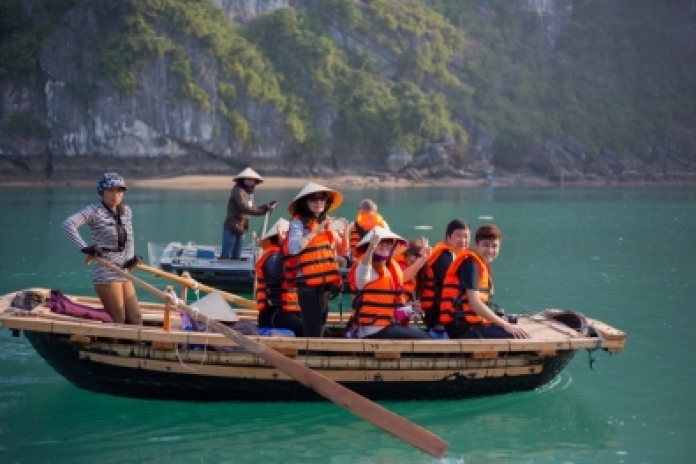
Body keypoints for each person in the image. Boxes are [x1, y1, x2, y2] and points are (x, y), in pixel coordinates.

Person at [62, 172, 142, 324]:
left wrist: (131, 260)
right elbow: (68, 225)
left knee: (136, 318)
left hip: (123, 271)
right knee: (118, 319)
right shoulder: (94, 211)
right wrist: (85, 248)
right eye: (111, 190)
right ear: (102, 191)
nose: (115, 195)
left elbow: (129, 239)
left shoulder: (126, 211)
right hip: (106, 272)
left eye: (119, 191)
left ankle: (132, 347)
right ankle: (115, 347)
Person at [439, 224, 529, 339]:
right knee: (520, 336)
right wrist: (505, 325)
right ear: (476, 245)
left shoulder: (478, 265)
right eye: (486, 245)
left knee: (517, 330)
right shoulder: (470, 265)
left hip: (470, 324)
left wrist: (498, 320)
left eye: (494, 246)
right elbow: (475, 304)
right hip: (462, 328)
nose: (490, 250)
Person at [285, 182, 348, 337]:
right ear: (305, 203)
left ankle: (314, 354)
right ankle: (310, 356)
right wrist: (317, 230)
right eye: (313, 199)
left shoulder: (328, 222)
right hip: (307, 283)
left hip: (325, 283)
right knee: (312, 327)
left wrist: (345, 232)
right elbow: (294, 248)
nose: (319, 203)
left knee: (320, 324)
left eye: (322, 199)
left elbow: (342, 251)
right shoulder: (298, 222)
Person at [346, 226, 429, 339]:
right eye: (381, 242)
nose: (385, 245)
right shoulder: (367, 267)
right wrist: (371, 248)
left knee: (424, 336)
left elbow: (403, 278)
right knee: (424, 339)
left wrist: (409, 308)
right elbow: (362, 274)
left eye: (388, 242)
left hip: (385, 325)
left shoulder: (388, 268)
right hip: (371, 329)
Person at [255, 218, 304, 336]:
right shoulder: (273, 256)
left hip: (289, 313)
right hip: (275, 314)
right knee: (312, 332)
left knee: (320, 331)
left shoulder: (289, 257)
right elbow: (277, 274)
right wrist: (284, 248)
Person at [420, 219, 470, 331]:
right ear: (448, 237)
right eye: (459, 236)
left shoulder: (456, 256)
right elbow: (450, 290)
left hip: (446, 314)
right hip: (438, 317)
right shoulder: (445, 258)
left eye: (466, 237)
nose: (463, 240)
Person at [221, 167, 277, 260]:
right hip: (232, 227)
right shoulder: (238, 190)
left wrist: (265, 207)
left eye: (252, 181)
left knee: (236, 257)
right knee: (226, 256)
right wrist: (261, 211)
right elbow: (244, 207)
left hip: (241, 228)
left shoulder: (249, 193)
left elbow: (252, 208)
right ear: (242, 180)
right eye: (248, 180)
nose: (250, 183)